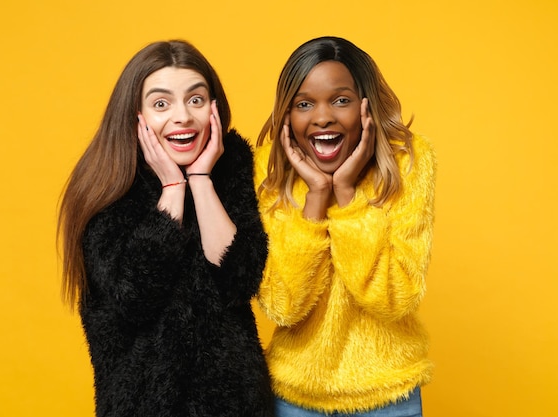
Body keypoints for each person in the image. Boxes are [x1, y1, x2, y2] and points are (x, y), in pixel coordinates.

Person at [57, 40, 274, 417]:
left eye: (196, 100)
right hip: (143, 405)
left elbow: (240, 280)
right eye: (161, 104)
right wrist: (173, 190)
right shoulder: (106, 182)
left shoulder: (231, 162)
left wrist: (201, 179)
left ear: (214, 108)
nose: (183, 117)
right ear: (135, 115)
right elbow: (134, 297)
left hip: (237, 404)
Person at [254, 36, 436, 417]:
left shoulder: (407, 166)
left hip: (390, 397)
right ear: (287, 116)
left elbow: (394, 297)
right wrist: (317, 197)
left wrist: (348, 196)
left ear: (366, 106)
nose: (322, 117)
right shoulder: (267, 176)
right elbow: (284, 306)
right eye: (304, 104)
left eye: (340, 100)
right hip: (294, 398)